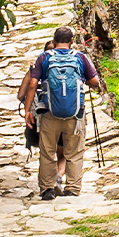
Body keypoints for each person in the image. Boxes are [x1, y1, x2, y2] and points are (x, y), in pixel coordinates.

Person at [23, 26, 102, 200]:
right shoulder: (80, 57)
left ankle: (47, 188)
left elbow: (32, 84)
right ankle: (72, 188)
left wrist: (28, 110)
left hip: (49, 113)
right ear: (72, 41)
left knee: (47, 151)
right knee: (74, 151)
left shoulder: (44, 58)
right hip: (75, 114)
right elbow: (95, 82)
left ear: (54, 40)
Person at [17, 39, 66, 186]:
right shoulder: (66, 67)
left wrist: (27, 109)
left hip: (40, 118)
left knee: (46, 153)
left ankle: (47, 182)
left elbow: (21, 95)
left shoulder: (34, 69)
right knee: (63, 153)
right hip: (63, 115)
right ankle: (58, 176)